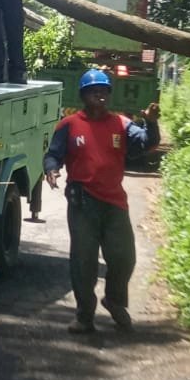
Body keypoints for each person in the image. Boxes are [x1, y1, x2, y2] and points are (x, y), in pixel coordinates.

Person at [43, 68, 161, 333]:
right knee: (83, 261)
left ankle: (115, 300)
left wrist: (151, 123)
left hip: (114, 203)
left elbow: (146, 143)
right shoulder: (69, 125)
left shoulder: (121, 124)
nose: (100, 96)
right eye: (94, 92)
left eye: (104, 91)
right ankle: (84, 317)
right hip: (83, 203)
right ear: (83, 95)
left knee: (125, 258)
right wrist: (51, 169)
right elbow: (53, 154)